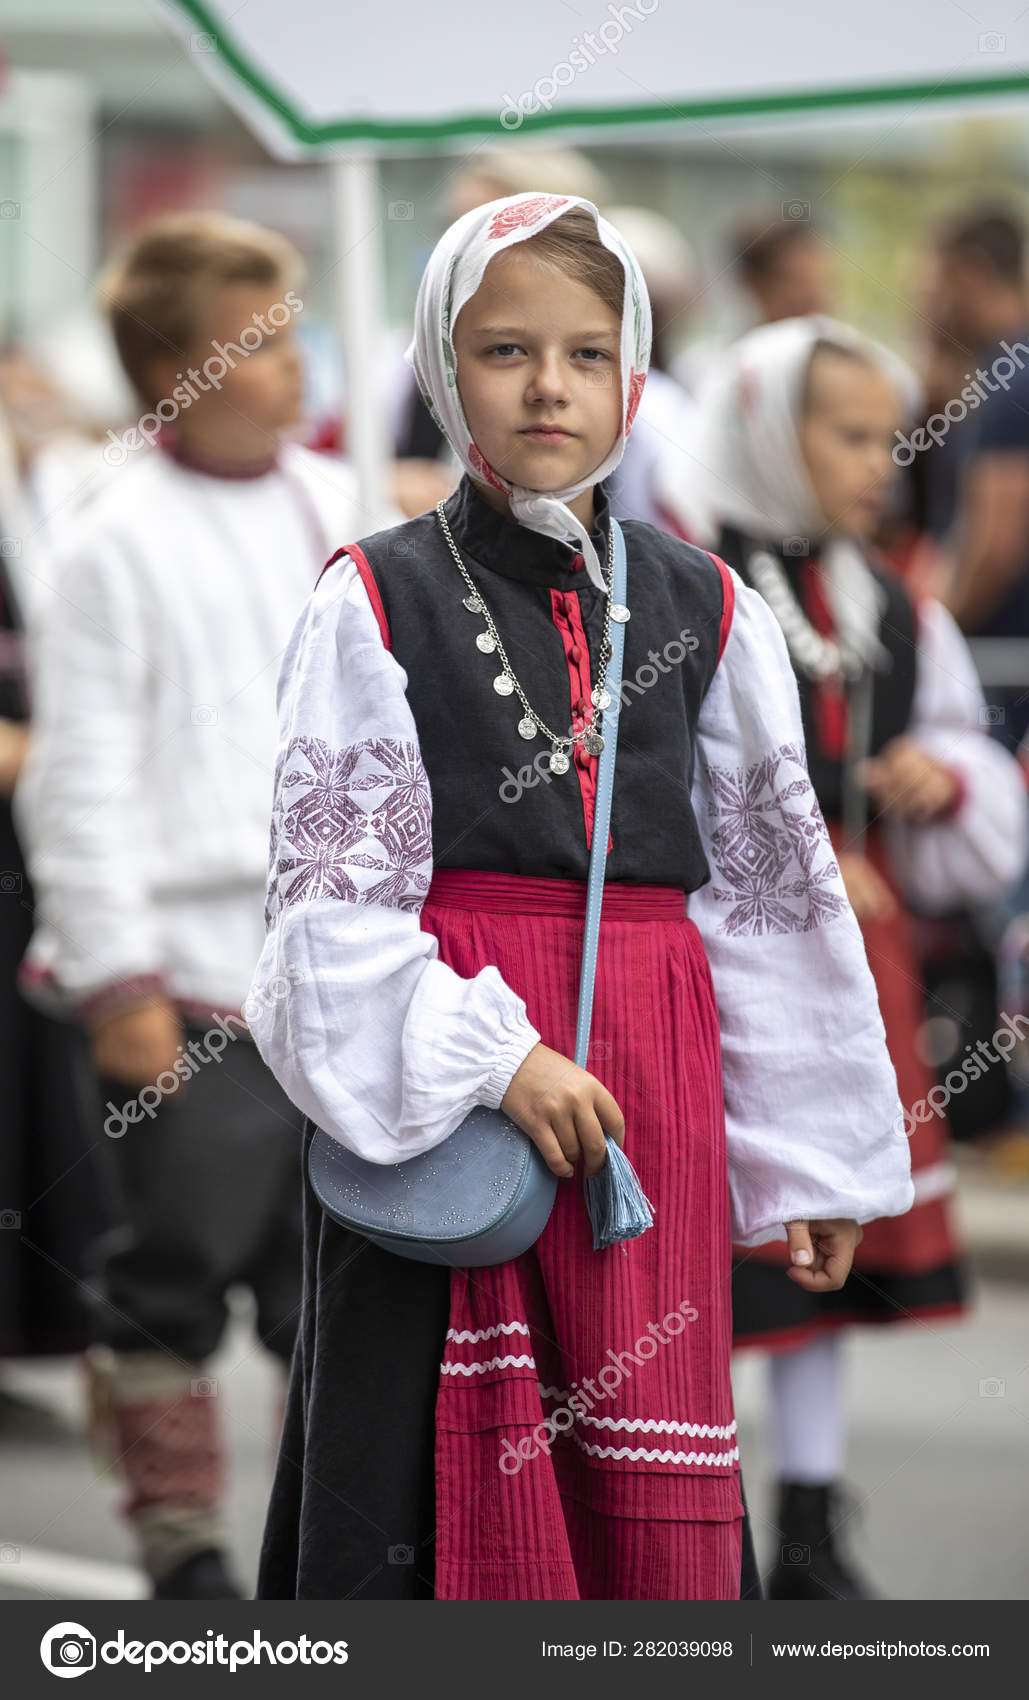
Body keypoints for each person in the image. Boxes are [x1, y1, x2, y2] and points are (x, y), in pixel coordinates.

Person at [247, 192, 914, 1603]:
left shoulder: (709, 608)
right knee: (426, 1487)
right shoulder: (372, 596)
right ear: (442, 367)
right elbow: (326, 925)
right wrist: (497, 1059)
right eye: (503, 351)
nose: (549, 384)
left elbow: (771, 901)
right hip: (451, 1103)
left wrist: (814, 1153)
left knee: (639, 1484)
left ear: (635, 373)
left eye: (587, 353)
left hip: (649, 1097)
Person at [13, 210, 396, 1599]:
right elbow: (82, 774)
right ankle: (178, 1538)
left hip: (332, 967)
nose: (300, 366)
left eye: (299, 333)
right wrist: (118, 982)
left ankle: (328, 1539)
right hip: (185, 966)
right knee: (171, 1267)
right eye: (262, 343)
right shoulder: (111, 540)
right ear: (176, 366)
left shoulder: (336, 507)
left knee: (337, 1290)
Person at [672, 314, 1028, 1598]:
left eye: (889, 435)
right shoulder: (682, 579)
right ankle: (696, 1511)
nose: (885, 461)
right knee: (711, 1253)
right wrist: (812, 836)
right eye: (849, 434)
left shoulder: (882, 599)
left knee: (833, 1233)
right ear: (768, 430)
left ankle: (812, 1515)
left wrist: (944, 777)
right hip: (713, 961)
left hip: (856, 961)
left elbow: (943, 737)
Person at [920, 205, 1029, 751]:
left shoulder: (1012, 378)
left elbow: (995, 546)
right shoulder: (999, 370)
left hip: (1001, 674)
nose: (929, 301)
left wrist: (928, 632)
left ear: (970, 272)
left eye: (937, 280)